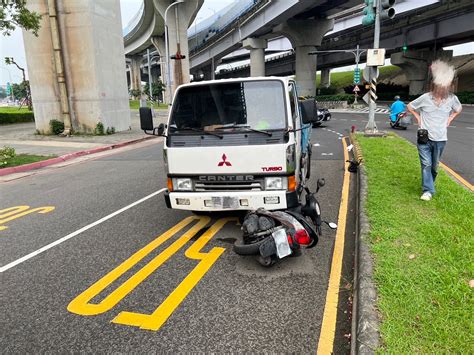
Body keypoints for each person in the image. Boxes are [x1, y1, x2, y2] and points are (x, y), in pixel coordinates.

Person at [407, 60, 462, 201]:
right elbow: (410, 106)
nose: (443, 88)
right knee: (426, 164)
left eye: (446, 86)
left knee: (434, 167)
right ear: (435, 85)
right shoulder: (425, 98)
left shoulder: (452, 99)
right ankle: (428, 190)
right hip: (424, 137)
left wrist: (451, 118)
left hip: (441, 139)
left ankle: (429, 183)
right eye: (441, 85)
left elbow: (459, 109)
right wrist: (418, 118)